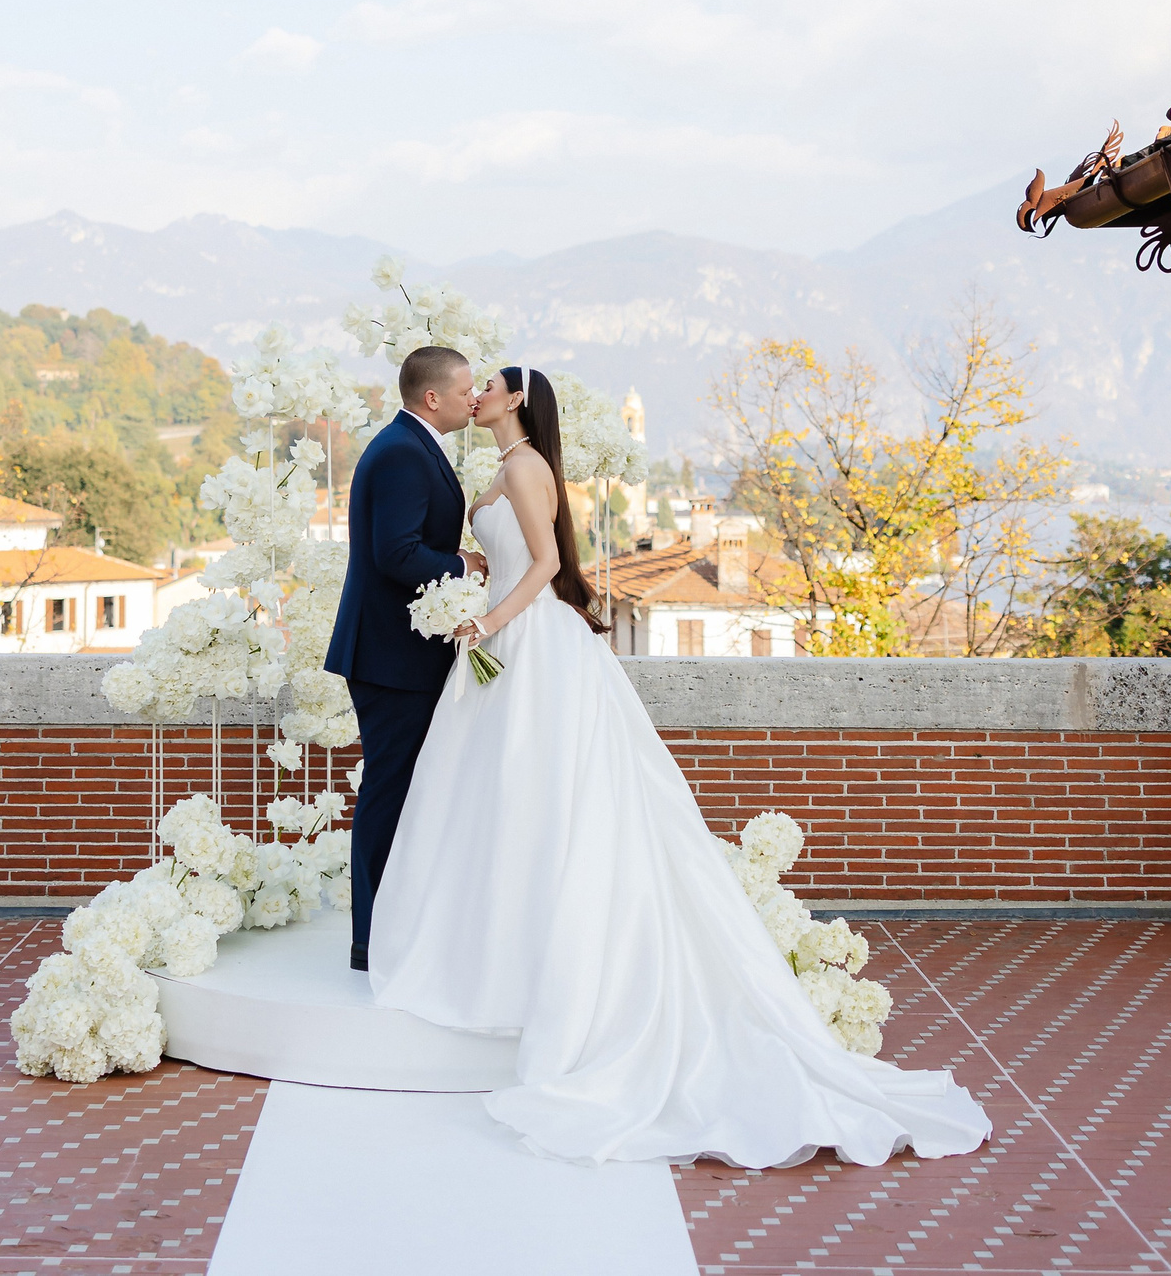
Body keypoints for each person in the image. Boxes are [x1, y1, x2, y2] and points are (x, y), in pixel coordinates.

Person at [366, 364, 992, 1169]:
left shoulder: (524, 467)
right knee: (498, 801)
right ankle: (494, 959)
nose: (478, 389)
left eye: (490, 382)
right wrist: (469, 582)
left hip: (530, 646)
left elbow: (549, 569)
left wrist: (486, 620)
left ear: (518, 399)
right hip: (506, 650)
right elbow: (509, 553)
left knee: (542, 798)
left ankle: (553, 978)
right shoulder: (502, 469)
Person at [323, 344, 486, 973]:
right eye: (467, 388)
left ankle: (396, 927)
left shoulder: (413, 446)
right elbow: (396, 554)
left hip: (405, 654)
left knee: (406, 789)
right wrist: (463, 565)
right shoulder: (400, 453)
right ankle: (373, 941)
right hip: (391, 657)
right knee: (388, 794)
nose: (476, 397)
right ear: (433, 398)